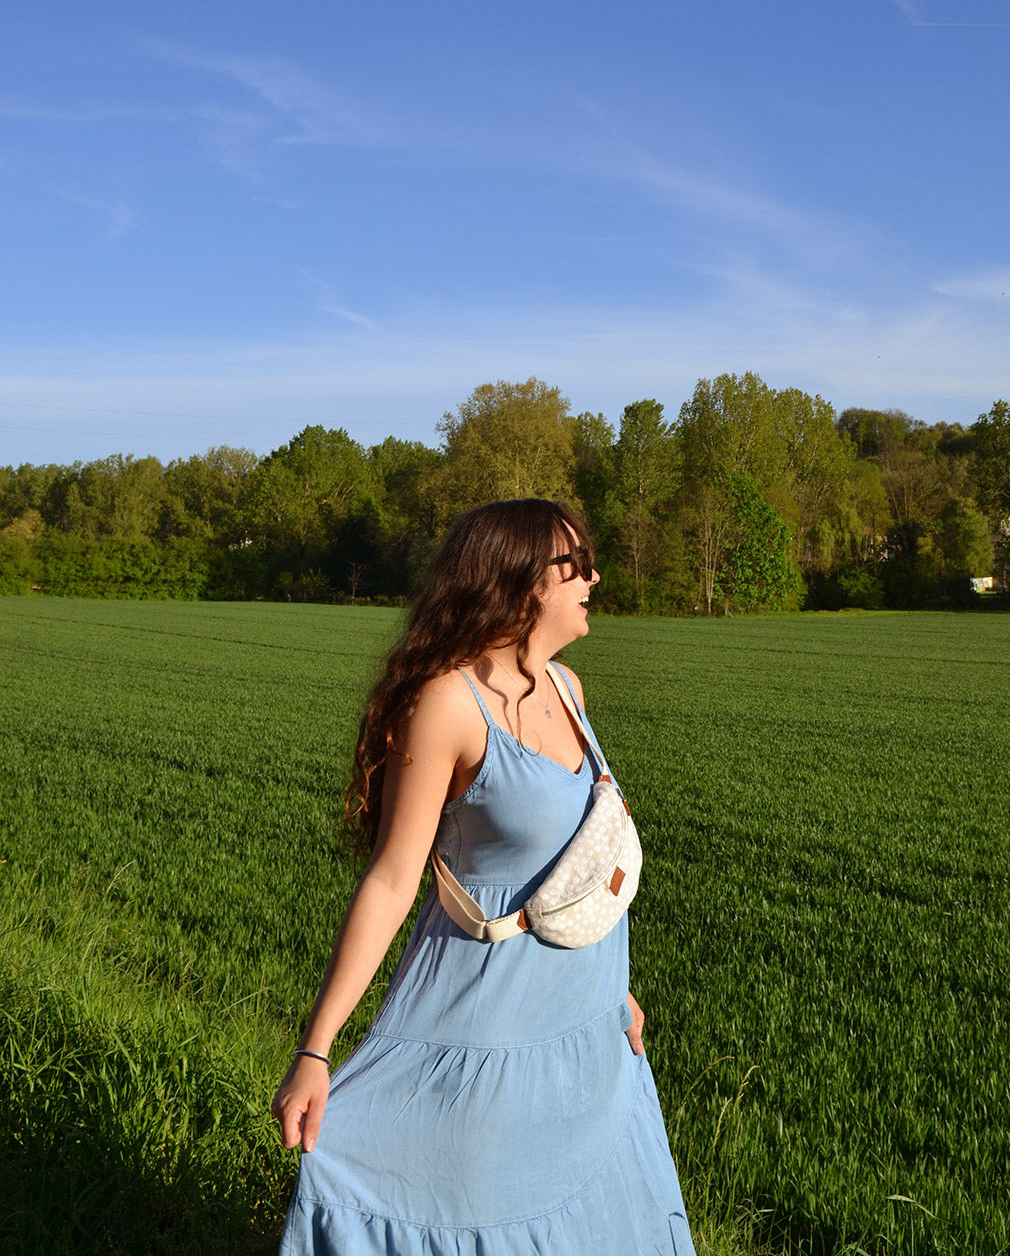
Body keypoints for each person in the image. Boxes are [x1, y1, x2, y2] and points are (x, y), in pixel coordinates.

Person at [272, 498, 695, 1254]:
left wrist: (610, 986)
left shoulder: (568, 690)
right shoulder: (447, 704)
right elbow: (393, 880)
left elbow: (568, 864)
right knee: (477, 1206)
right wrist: (316, 1049)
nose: (594, 577)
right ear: (521, 580)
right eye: (576, 564)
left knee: (595, 1212)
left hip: (585, 1019)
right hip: (486, 1020)